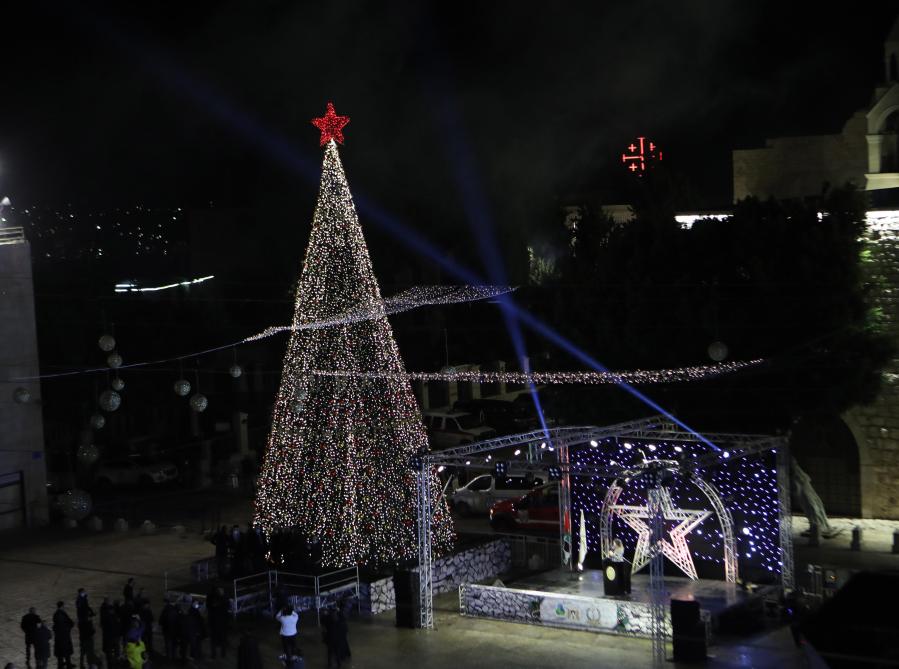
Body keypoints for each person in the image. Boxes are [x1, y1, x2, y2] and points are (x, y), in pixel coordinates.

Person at [207, 587, 229, 659]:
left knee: (215, 640)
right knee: (221, 639)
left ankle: (216, 654)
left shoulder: (212, 599)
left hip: (216, 623)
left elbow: (209, 607)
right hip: (220, 623)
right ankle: (222, 654)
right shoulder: (223, 600)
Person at [52, 602, 75, 669]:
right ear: (62, 606)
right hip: (63, 636)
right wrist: (68, 627)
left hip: (61, 636)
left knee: (61, 652)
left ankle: (64, 664)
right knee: (65, 651)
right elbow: (65, 624)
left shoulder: (57, 614)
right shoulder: (60, 614)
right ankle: (66, 665)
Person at [100, 598, 120, 665]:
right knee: (114, 650)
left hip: (110, 637)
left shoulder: (107, 617)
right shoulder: (112, 617)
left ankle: (111, 661)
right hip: (112, 637)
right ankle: (114, 660)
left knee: (110, 651)